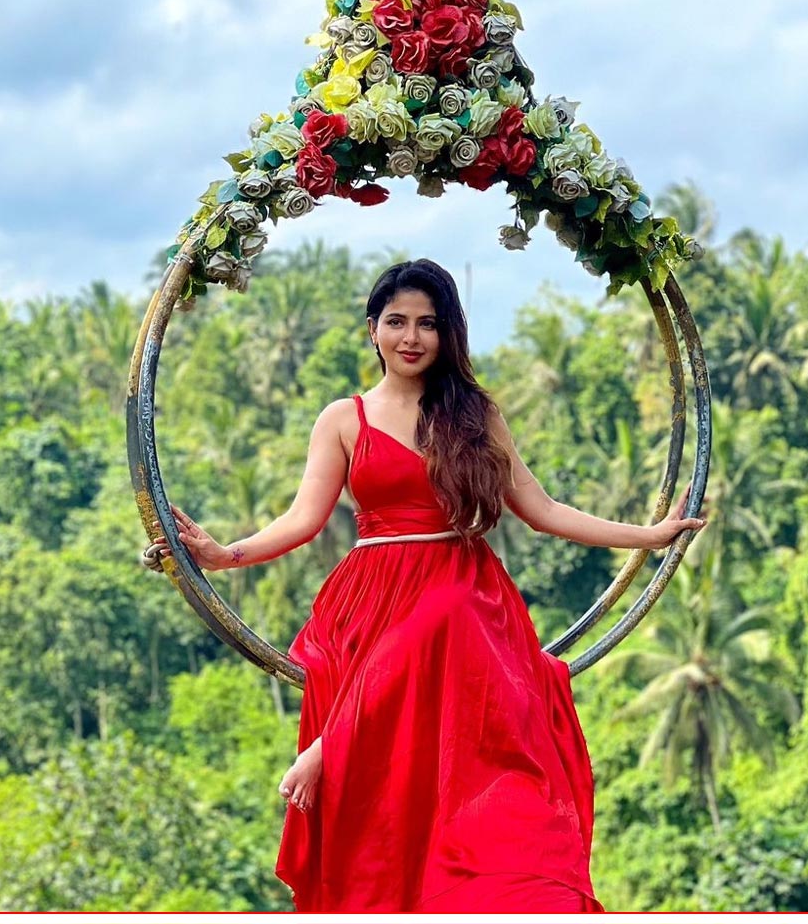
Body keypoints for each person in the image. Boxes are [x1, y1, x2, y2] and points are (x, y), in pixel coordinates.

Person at [146, 258, 706, 912]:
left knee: (448, 609)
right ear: (373, 329)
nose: (411, 337)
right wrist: (222, 554)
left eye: (428, 324)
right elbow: (303, 519)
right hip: (373, 593)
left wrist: (648, 535)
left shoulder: (474, 413)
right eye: (397, 322)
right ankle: (353, 776)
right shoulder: (343, 419)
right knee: (402, 765)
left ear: (448, 334)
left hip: (461, 589)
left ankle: (337, 746)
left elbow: (543, 509)